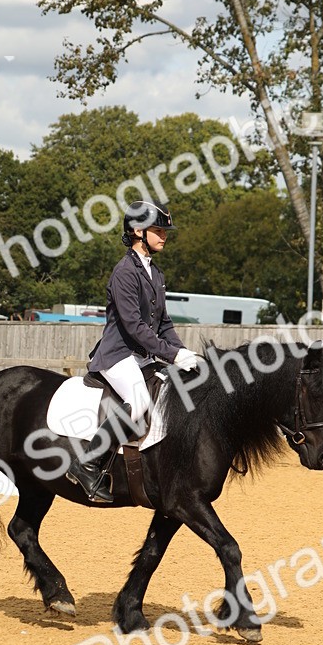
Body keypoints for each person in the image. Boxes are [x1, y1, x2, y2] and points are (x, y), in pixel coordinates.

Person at [66, 200, 201, 503]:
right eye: (158, 230)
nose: (164, 235)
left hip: (142, 357)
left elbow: (163, 324)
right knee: (139, 400)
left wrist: (184, 353)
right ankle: (86, 463)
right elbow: (133, 326)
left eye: (165, 231)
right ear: (138, 231)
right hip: (117, 355)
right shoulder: (124, 272)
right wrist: (172, 355)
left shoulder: (156, 274)